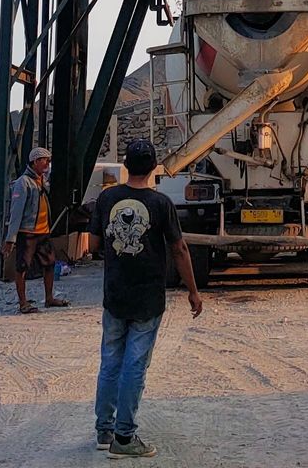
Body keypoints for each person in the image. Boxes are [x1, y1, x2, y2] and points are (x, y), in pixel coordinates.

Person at [87, 139, 202, 457]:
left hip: (115, 294)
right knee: (134, 366)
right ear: (153, 167)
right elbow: (179, 249)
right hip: (148, 297)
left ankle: (104, 431)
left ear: (126, 165)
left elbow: (93, 245)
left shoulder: (107, 198)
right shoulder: (161, 203)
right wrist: (193, 291)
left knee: (110, 362)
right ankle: (124, 438)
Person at [3, 145, 67, 313]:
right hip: (28, 233)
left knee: (50, 264)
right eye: (45, 160)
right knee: (22, 266)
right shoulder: (23, 183)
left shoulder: (41, 181)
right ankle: (23, 303)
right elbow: (16, 212)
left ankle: (49, 298)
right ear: (36, 161)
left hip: (43, 232)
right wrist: (11, 238)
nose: (47, 164)